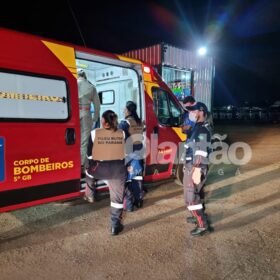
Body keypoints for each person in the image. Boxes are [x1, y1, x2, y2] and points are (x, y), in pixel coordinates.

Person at [84, 110, 126, 236]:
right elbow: (127, 152)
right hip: (117, 170)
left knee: (88, 172)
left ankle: (90, 194)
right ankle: (115, 226)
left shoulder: (93, 133)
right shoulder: (122, 133)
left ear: (103, 121)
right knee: (117, 199)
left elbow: (89, 155)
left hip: (100, 169)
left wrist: (92, 164)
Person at [183, 102, 212, 237]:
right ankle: (197, 218)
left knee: (191, 197)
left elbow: (200, 153)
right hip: (191, 166)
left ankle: (202, 225)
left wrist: (196, 170)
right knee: (196, 194)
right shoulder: (197, 127)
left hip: (196, 167)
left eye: (193, 111)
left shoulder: (202, 130)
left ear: (201, 112)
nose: (191, 113)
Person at [119, 101, 145, 212]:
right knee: (138, 178)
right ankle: (138, 201)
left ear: (128, 110)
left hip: (129, 154)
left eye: (124, 109)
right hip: (139, 152)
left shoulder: (125, 123)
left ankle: (129, 205)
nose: (123, 111)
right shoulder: (139, 122)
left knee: (127, 180)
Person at [77, 69, 100, 174]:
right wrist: (95, 118)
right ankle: (82, 165)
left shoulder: (74, 83)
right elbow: (97, 105)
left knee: (75, 140)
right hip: (86, 114)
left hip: (73, 114)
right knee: (84, 141)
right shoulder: (91, 87)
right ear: (85, 76)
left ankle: (80, 163)